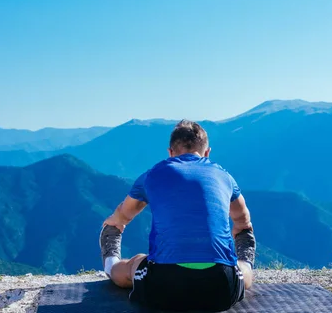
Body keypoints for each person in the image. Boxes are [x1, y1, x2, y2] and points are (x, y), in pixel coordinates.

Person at [100, 120, 256, 311]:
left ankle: (110, 263)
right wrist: (241, 231)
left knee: (135, 263)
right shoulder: (224, 176)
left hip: (165, 287)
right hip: (221, 288)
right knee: (242, 271)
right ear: (207, 153)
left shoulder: (152, 175)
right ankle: (247, 260)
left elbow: (123, 214)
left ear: (170, 153)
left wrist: (114, 224)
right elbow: (242, 220)